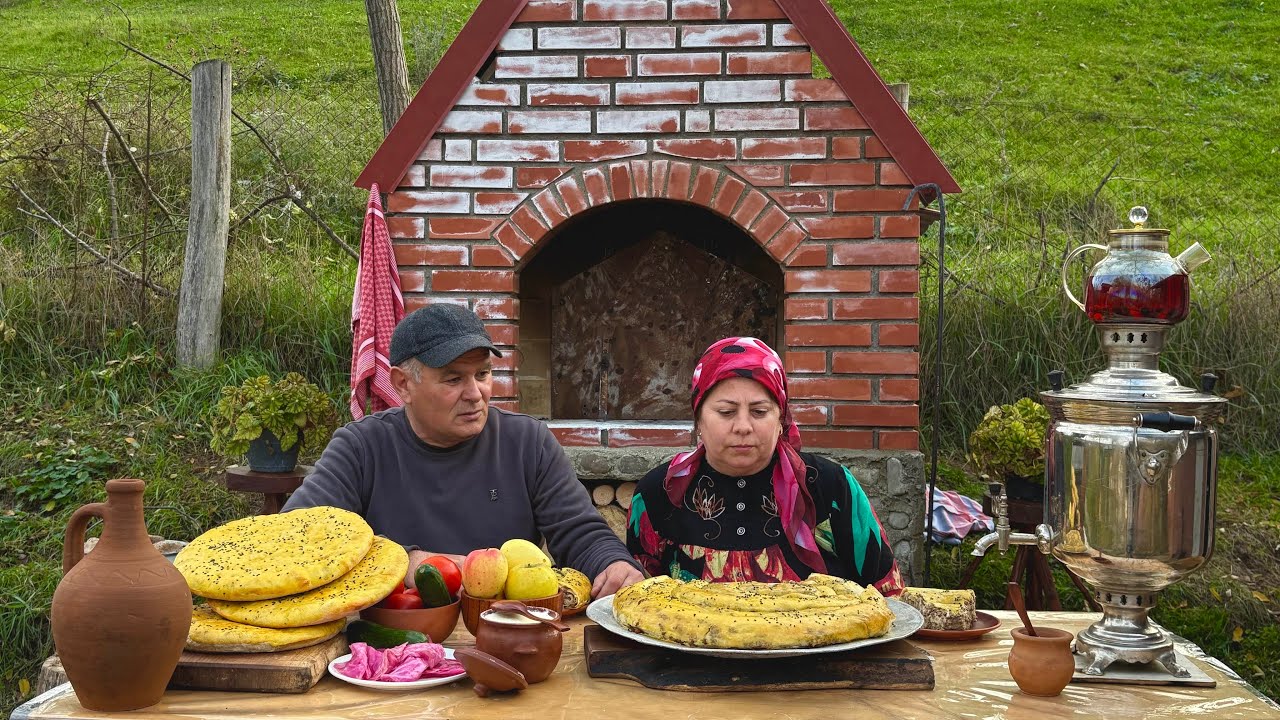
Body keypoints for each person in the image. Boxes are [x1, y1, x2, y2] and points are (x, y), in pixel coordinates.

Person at [283, 304, 643, 598]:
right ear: (403, 384)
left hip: (502, 636)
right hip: (388, 645)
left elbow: (579, 531)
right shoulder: (361, 447)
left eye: (483, 374)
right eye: (454, 379)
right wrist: (408, 563)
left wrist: (612, 564)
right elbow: (294, 538)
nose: (476, 394)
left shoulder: (527, 443)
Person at [627, 337, 904, 594]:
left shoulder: (830, 487)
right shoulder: (659, 493)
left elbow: (886, 593)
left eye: (760, 412)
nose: (743, 427)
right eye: (726, 412)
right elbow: (639, 601)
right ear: (698, 419)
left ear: (781, 419)